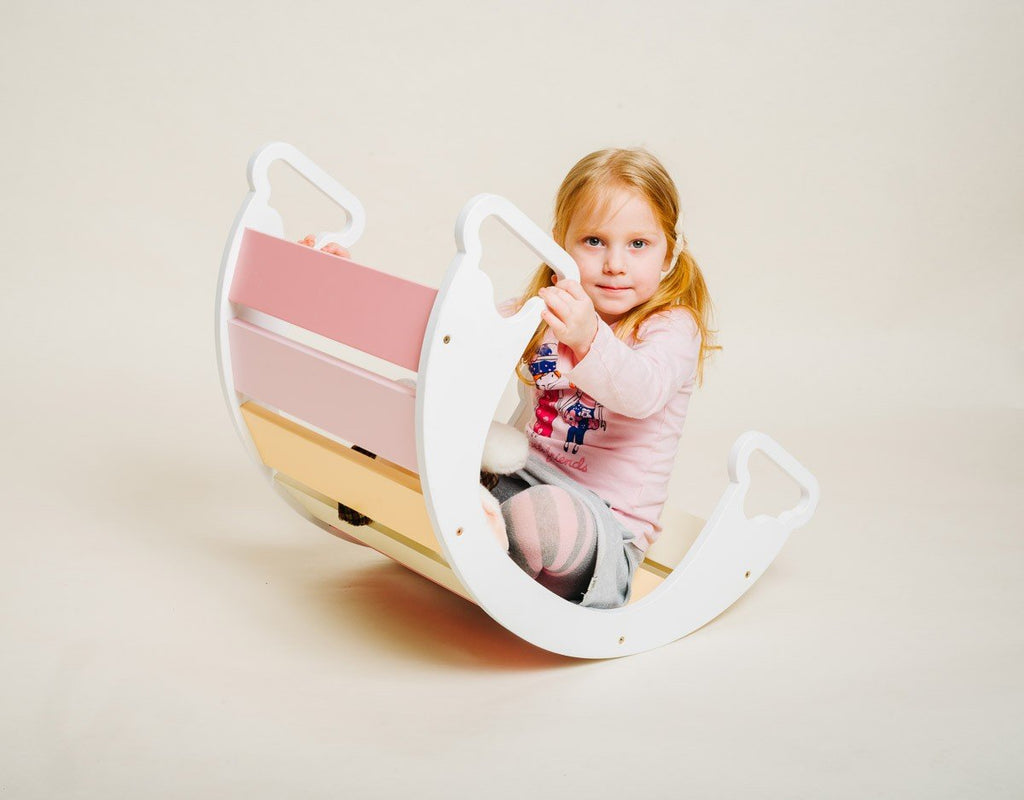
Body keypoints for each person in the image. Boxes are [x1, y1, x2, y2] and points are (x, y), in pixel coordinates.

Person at [489, 148, 719, 609]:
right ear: (559, 244)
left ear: (669, 252)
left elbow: (641, 390)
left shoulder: (670, 328)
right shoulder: (544, 306)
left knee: (545, 520)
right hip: (519, 476)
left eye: (638, 244)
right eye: (594, 241)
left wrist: (588, 335)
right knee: (424, 434)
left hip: (603, 526)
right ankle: (460, 521)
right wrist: (338, 271)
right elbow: (457, 331)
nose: (615, 263)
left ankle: (486, 542)